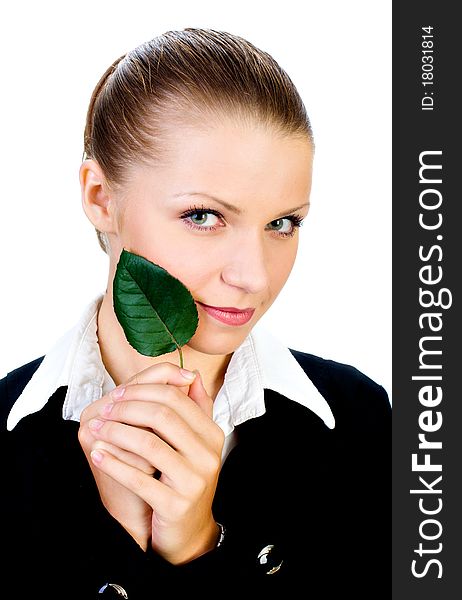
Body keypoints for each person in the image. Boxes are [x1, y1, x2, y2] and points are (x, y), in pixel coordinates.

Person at [0, 28, 390, 598]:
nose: (254, 276)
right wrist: (120, 547)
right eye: (204, 216)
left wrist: (196, 547)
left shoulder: (361, 426)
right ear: (100, 197)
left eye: (283, 223)